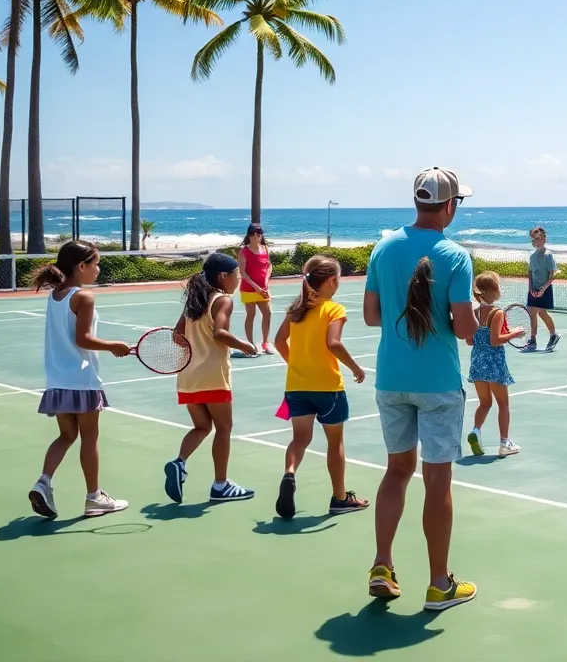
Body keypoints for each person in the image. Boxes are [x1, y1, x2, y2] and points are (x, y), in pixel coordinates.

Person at [363, 166, 479, 611]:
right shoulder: (455, 255)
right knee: (437, 480)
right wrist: (477, 321)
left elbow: (373, 316)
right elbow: (464, 327)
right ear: (449, 206)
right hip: (437, 384)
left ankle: (382, 564)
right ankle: (438, 584)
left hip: (391, 378)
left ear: (418, 201)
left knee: (396, 471)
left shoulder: (383, 247)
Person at [28, 240, 132, 520]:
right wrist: (113, 346)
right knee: (89, 438)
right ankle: (94, 498)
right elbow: (82, 338)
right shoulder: (83, 297)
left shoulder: (56, 295)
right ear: (82, 266)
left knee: (66, 436)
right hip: (83, 380)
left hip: (57, 381)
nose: (99, 269)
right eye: (96, 264)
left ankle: (43, 482)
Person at [273, 255, 368, 519]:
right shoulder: (334, 309)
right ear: (330, 281)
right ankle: (339, 497)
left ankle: (289, 473)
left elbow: (279, 341)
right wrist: (355, 368)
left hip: (297, 385)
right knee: (335, 443)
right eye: (337, 279)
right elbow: (333, 343)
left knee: (299, 439)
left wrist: (296, 363)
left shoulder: (296, 310)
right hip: (327, 387)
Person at [163, 253, 258, 504]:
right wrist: (246, 346)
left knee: (202, 427)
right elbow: (220, 334)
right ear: (223, 277)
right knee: (224, 428)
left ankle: (179, 462)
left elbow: (176, 336)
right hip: (213, 376)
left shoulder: (195, 301)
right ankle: (220, 485)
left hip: (188, 376)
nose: (238, 281)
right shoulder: (222, 300)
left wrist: (197, 343)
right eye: (236, 276)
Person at [466, 271, 525, 457]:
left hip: (477, 362)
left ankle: (475, 431)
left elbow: (469, 340)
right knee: (503, 404)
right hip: (494, 364)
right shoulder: (497, 312)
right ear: (493, 291)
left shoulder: (474, 313)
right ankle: (504, 443)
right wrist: (515, 333)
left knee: (484, 403)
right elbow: (495, 340)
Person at [237, 224, 273, 356]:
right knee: (251, 315)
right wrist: (256, 288)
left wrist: (266, 281)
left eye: (258, 234)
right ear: (249, 235)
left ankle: (266, 343)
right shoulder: (244, 252)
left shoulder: (265, 249)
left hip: (263, 288)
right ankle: (250, 345)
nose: (256, 237)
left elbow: (269, 266)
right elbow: (243, 273)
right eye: (253, 234)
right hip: (249, 289)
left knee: (267, 313)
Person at [524, 226, 560, 351]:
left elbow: (552, 275)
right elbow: (530, 274)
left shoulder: (548, 255)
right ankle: (532, 340)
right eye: (533, 239)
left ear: (544, 239)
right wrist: (531, 289)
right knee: (532, 312)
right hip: (533, 290)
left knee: (542, 312)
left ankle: (553, 335)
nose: (535, 241)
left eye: (538, 238)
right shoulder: (532, 256)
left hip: (545, 289)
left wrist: (543, 289)